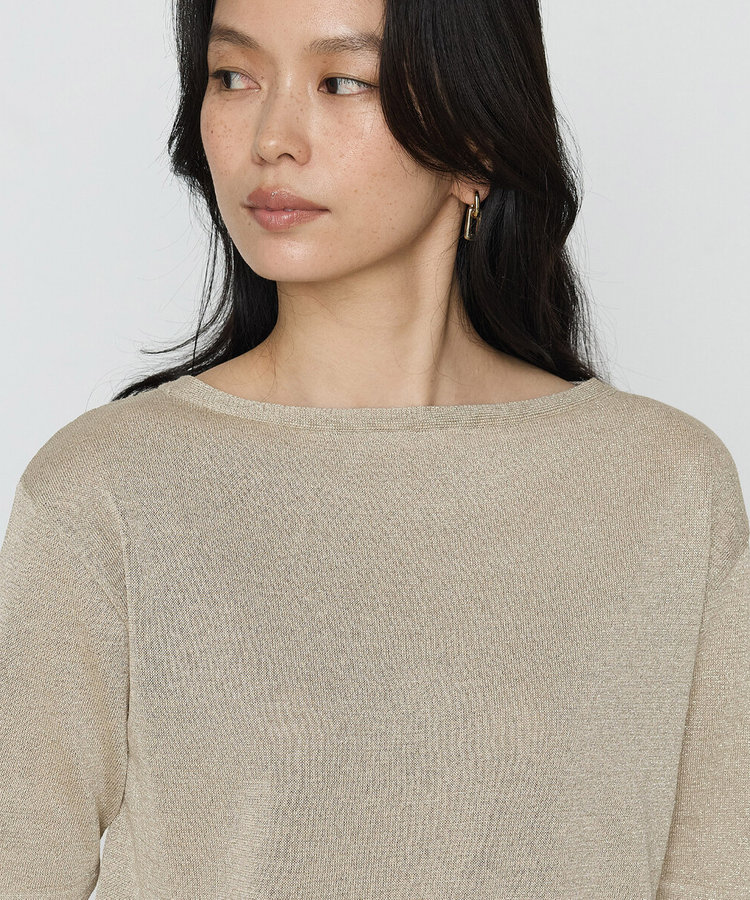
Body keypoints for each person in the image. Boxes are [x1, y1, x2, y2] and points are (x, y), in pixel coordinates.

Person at [0, 0, 747, 897]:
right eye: (232, 77)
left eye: (341, 81)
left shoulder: (664, 486)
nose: (272, 139)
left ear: (476, 142)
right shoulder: (107, 492)